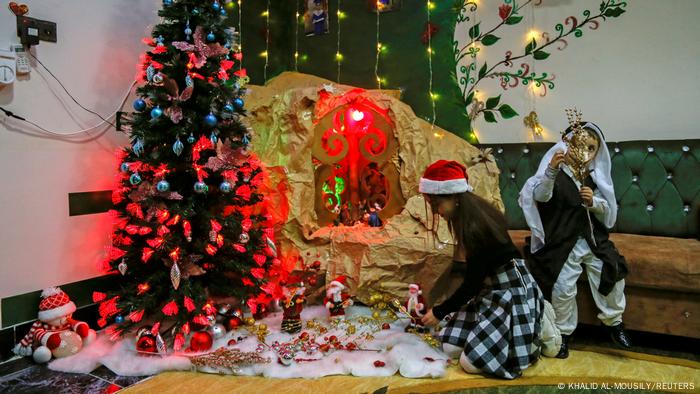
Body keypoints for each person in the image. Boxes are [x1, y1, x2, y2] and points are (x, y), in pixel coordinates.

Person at [418, 160, 543, 379]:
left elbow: (471, 284)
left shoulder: (475, 228)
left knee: (471, 363)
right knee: (448, 346)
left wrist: (439, 311)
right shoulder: (469, 218)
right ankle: (483, 338)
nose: (436, 213)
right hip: (492, 292)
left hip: (511, 295)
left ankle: (534, 338)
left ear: (454, 198)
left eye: (437, 205)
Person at [519, 121, 631, 359]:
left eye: (592, 149)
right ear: (567, 145)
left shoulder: (594, 176)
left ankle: (614, 322)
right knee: (562, 286)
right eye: (581, 147)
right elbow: (540, 195)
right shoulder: (554, 172)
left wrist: (593, 202)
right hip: (562, 239)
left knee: (610, 269)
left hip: (591, 239)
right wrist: (550, 172)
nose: (586, 153)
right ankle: (563, 334)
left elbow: (607, 211)